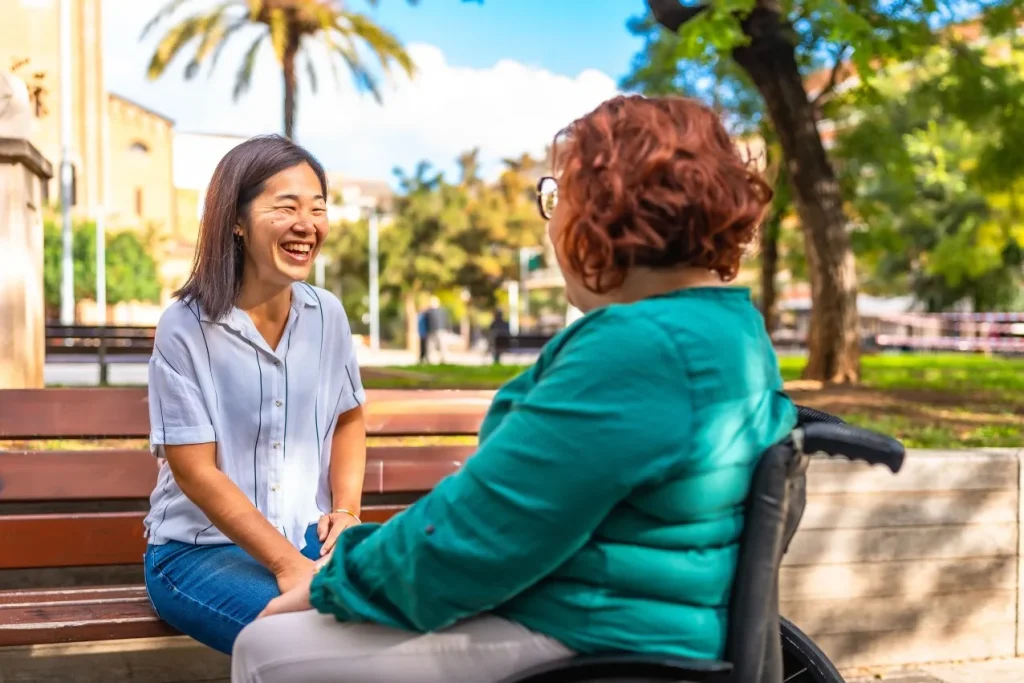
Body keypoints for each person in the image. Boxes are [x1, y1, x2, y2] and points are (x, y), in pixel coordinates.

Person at [230, 95, 796, 683]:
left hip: (593, 634)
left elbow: (477, 542)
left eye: (558, 197)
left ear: (607, 208)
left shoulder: (638, 348)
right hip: (643, 619)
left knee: (267, 648)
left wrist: (334, 582)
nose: (553, 224)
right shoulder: (730, 328)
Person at [143, 135, 367, 655]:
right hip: (196, 554)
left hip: (312, 539)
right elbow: (195, 469)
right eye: (285, 207)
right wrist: (290, 567)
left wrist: (348, 511)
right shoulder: (185, 326)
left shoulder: (327, 314)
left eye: (317, 208)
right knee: (311, 642)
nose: (307, 224)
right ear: (237, 221)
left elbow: (350, 417)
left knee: (422, 596)